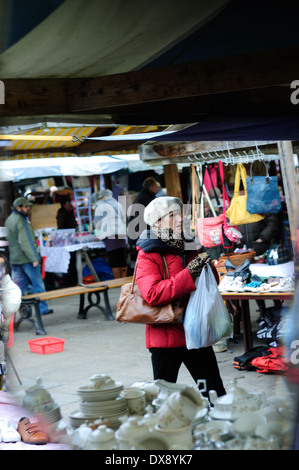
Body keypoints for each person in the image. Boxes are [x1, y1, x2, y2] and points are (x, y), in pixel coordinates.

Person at [135, 196, 226, 397]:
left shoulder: (189, 246)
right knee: (164, 400)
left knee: (215, 393)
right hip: (166, 337)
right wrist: (190, 272)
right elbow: (153, 294)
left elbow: (209, 285)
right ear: (157, 222)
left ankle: (222, 425)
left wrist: (206, 263)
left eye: (180, 214)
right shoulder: (148, 253)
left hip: (196, 332)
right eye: (172, 215)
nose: (179, 219)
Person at [5, 197, 52, 315]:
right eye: (26, 207)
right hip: (26, 258)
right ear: (18, 208)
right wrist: (34, 258)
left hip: (15, 259)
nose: (28, 209)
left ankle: (9, 310)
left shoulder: (9, 219)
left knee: (18, 287)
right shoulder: (21, 220)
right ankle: (42, 309)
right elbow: (26, 241)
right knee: (38, 284)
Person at [94, 189, 127, 278]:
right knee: (122, 259)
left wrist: (97, 234)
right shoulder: (117, 203)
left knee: (114, 260)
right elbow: (124, 219)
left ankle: (117, 283)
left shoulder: (99, 204)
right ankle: (124, 282)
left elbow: (97, 222)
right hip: (120, 233)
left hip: (109, 234)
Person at [56, 196, 78, 286]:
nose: (71, 206)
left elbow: (74, 224)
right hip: (65, 241)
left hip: (71, 239)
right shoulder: (61, 214)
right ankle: (69, 281)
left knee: (73, 261)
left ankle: (74, 280)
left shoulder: (71, 212)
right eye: (69, 204)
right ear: (64, 204)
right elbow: (61, 228)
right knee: (68, 261)